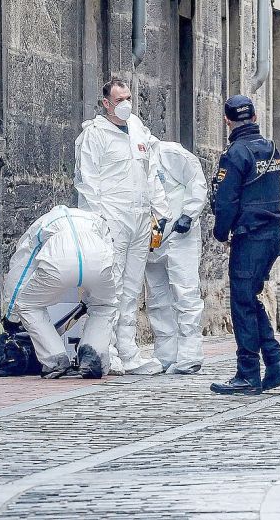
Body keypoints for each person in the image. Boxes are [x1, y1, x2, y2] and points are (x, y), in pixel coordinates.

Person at [74, 78, 172, 375]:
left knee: (131, 287)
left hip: (140, 217)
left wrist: (161, 210)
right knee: (111, 287)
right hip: (113, 218)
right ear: (106, 103)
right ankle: (107, 350)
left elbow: (150, 172)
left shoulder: (138, 130)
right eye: (120, 99)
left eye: (128, 97)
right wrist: (98, 221)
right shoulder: (95, 134)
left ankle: (128, 350)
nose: (126, 103)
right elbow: (88, 181)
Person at [209, 95, 280, 395]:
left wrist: (220, 233)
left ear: (227, 121)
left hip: (251, 236)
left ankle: (248, 373)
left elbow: (226, 201)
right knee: (251, 298)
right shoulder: (271, 148)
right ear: (255, 117)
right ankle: (275, 361)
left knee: (242, 303)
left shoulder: (235, 155)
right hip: (273, 234)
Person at [3, 206, 117, 379]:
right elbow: (110, 255)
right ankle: (92, 354)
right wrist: (95, 294)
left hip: (58, 262)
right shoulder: (95, 220)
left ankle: (54, 358)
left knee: (27, 305)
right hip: (98, 261)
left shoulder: (42, 224)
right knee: (104, 306)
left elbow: (22, 268)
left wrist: (11, 315)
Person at [144, 141, 208, 374]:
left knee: (185, 292)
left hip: (181, 234)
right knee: (157, 297)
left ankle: (190, 354)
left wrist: (189, 214)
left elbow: (196, 181)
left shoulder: (168, 153)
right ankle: (166, 355)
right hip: (152, 238)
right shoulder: (127, 163)